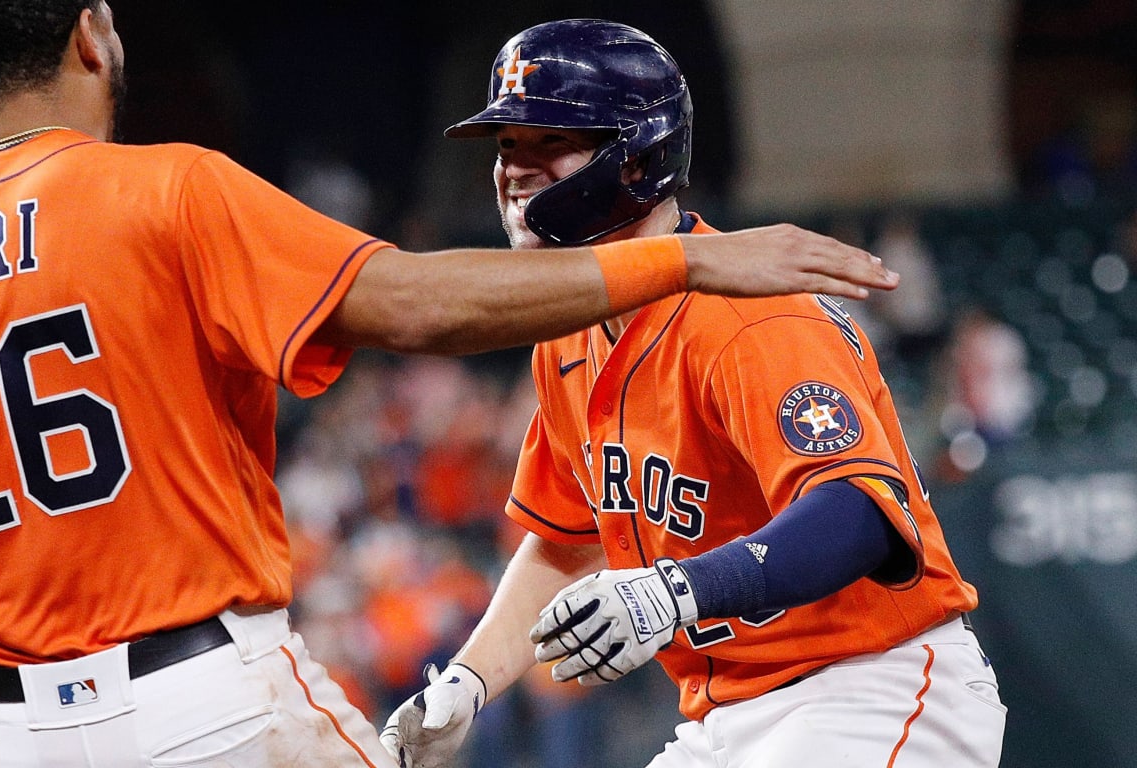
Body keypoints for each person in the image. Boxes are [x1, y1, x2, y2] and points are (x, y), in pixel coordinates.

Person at [0, 4, 897, 768]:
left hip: (0, 737)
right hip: (210, 706)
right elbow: (418, 307)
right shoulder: (166, 194)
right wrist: (684, 254)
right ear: (94, 36)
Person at [379, 19, 1005, 768]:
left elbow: (862, 514)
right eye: (508, 145)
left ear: (638, 156)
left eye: (550, 141)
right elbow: (563, 543)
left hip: (870, 685)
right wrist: (468, 682)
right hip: (726, 712)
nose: (515, 168)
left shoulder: (750, 313)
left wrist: (671, 593)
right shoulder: (567, 332)